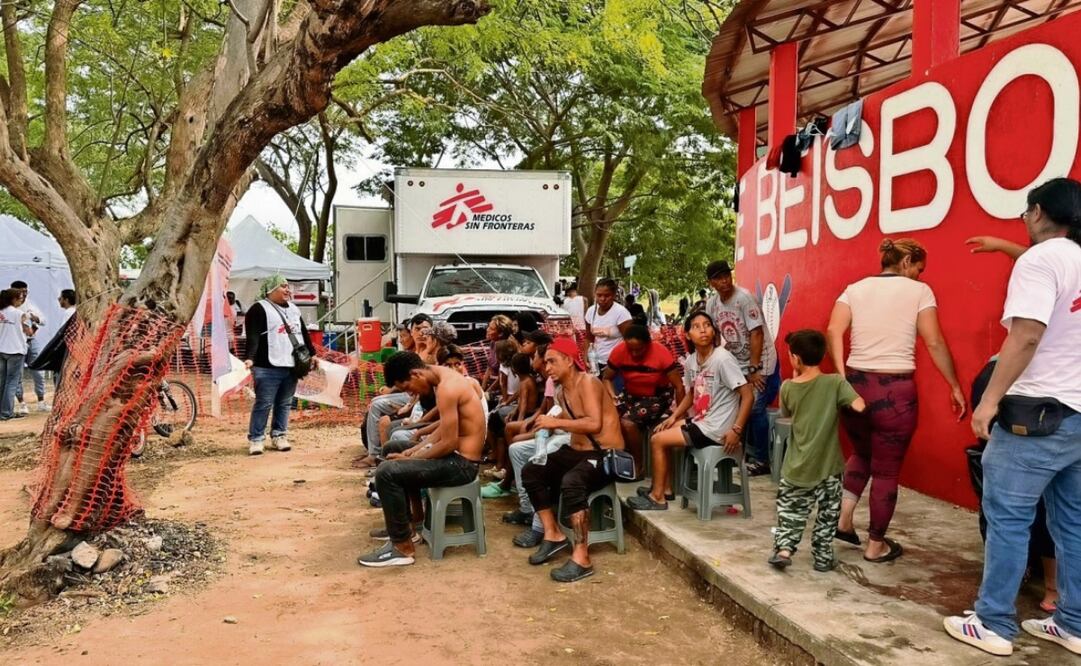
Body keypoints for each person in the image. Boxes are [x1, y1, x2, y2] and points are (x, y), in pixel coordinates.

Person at [944, 177, 1081, 657]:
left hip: (1035, 415)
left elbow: (1025, 336)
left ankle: (994, 622)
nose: (1023, 220)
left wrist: (989, 400)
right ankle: (1074, 623)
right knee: (1073, 523)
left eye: (1026, 212)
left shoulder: (1041, 260)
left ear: (1040, 212)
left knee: (1007, 517)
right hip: (1078, 417)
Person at [827, 238, 966, 563]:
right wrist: (954, 384)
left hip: (855, 384)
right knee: (887, 470)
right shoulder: (919, 292)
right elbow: (933, 341)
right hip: (895, 390)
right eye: (919, 268)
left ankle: (844, 521)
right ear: (906, 263)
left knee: (861, 453)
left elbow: (834, 330)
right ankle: (876, 545)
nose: (920, 275)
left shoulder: (855, 289)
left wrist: (841, 377)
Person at [357, 351, 485, 568]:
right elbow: (446, 428)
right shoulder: (440, 378)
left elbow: (449, 443)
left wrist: (413, 457)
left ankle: (402, 547)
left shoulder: (447, 388)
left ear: (416, 374)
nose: (411, 393)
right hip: (454, 457)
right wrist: (413, 450)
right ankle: (409, 526)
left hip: (462, 465)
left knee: (387, 472)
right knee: (393, 447)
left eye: (408, 388)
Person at [519, 336, 625, 582]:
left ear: (568, 360)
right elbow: (570, 422)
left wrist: (554, 421)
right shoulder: (560, 391)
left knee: (572, 481)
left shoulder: (588, 381)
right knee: (531, 471)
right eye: (545, 363)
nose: (547, 368)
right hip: (577, 451)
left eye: (552, 362)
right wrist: (545, 426)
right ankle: (552, 534)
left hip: (604, 454)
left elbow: (593, 423)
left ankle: (582, 557)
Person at [628, 311, 752, 510]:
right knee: (660, 431)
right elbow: (691, 393)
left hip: (718, 428)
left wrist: (736, 430)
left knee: (657, 441)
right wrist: (675, 416)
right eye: (696, 326)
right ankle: (665, 488)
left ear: (713, 331)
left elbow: (747, 395)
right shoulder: (692, 361)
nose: (703, 330)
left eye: (707, 325)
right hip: (702, 422)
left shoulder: (723, 359)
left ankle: (657, 497)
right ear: (687, 334)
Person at [768, 330, 865, 572]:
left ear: (796, 358)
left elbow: (786, 415)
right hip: (829, 467)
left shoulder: (788, 387)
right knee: (827, 514)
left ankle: (784, 550)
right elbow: (860, 405)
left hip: (797, 466)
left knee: (791, 511)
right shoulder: (835, 383)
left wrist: (793, 380)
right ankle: (822, 558)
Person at [704, 260, 779, 476]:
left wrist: (755, 368)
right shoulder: (713, 304)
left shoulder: (744, 299)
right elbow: (716, 334)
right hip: (738, 363)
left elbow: (757, 333)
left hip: (761, 362)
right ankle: (740, 454)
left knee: (754, 407)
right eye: (718, 278)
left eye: (727, 275)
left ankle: (761, 460)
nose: (725, 280)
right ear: (711, 283)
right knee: (736, 407)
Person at [243, 275, 317, 456]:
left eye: (288, 287)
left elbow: (303, 333)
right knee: (264, 403)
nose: (287, 290)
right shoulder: (259, 309)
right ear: (271, 290)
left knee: (284, 403)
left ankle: (279, 435)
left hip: (292, 364)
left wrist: (312, 353)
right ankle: (256, 438)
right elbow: (252, 336)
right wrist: (250, 358)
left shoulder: (293, 309)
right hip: (267, 365)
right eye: (283, 286)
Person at [602, 325, 685, 471]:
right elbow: (607, 378)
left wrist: (679, 414)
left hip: (657, 397)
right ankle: (616, 461)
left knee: (627, 422)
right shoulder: (619, 351)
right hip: (630, 394)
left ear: (648, 344)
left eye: (638, 349)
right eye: (630, 349)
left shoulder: (660, 353)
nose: (634, 353)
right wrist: (612, 396)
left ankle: (638, 465)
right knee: (607, 417)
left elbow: (678, 386)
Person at [355, 314, 430, 469]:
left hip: (416, 404)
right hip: (413, 402)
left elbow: (419, 389)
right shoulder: (415, 351)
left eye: (424, 329)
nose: (421, 333)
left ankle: (375, 456)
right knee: (377, 405)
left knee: (380, 410)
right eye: (417, 329)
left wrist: (409, 408)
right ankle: (376, 455)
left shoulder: (429, 354)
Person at [10, 281, 47, 412]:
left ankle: (41, 402)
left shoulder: (30, 304)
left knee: (38, 371)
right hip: (16, 344)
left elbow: (42, 320)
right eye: (21, 292)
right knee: (17, 374)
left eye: (26, 291)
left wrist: (34, 318)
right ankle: (22, 404)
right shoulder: (7, 307)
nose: (24, 294)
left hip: (31, 341)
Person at [585, 278, 632, 373]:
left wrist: (615, 364)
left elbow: (629, 342)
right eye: (599, 295)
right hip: (596, 363)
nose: (602, 299)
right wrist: (586, 356)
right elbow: (589, 338)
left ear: (614, 295)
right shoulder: (590, 311)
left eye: (607, 295)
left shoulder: (621, 313)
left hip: (616, 364)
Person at [0, 289, 30, 420]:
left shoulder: (1, 312)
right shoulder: (20, 314)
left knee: (2, 381)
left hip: (1, 349)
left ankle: (2, 411)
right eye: (20, 298)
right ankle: (6, 412)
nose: (22, 300)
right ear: (13, 299)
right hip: (16, 350)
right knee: (11, 382)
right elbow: (29, 332)